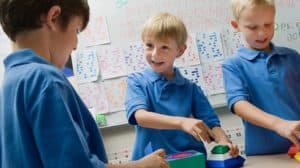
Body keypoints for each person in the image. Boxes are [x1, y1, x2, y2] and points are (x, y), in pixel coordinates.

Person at [0, 0, 169, 167]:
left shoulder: (10, 81)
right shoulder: (45, 79)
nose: (75, 45)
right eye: (76, 30)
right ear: (53, 17)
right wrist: (141, 166)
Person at [125, 12, 239, 160]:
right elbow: (140, 117)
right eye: (149, 45)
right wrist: (182, 122)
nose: (155, 54)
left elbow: (211, 124)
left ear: (180, 50)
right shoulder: (137, 81)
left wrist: (224, 143)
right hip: (153, 162)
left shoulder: (190, 89)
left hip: (191, 161)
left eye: (164, 47)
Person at [222, 0, 300, 156]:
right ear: (236, 25)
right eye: (253, 27)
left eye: (268, 25)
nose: (262, 33)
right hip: (264, 154)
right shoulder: (233, 65)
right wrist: (279, 124)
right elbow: (239, 105)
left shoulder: (292, 57)